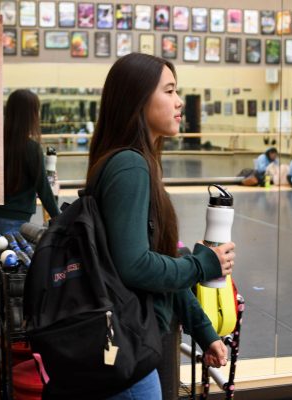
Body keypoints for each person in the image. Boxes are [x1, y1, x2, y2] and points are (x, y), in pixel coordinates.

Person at [85, 53, 235, 399]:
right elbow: (135, 265)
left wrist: (204, 331)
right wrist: (203, 264)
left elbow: (157, 258)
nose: (179, 101)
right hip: (130, 350)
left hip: (134, 344)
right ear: (138, 99)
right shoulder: (130, 167)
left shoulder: (134, 163)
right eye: (169, 91)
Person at [0, 89, 59, 234]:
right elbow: (43, 188)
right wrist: (59, 218)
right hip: (17, 221)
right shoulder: (31, 148)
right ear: (30, 115)